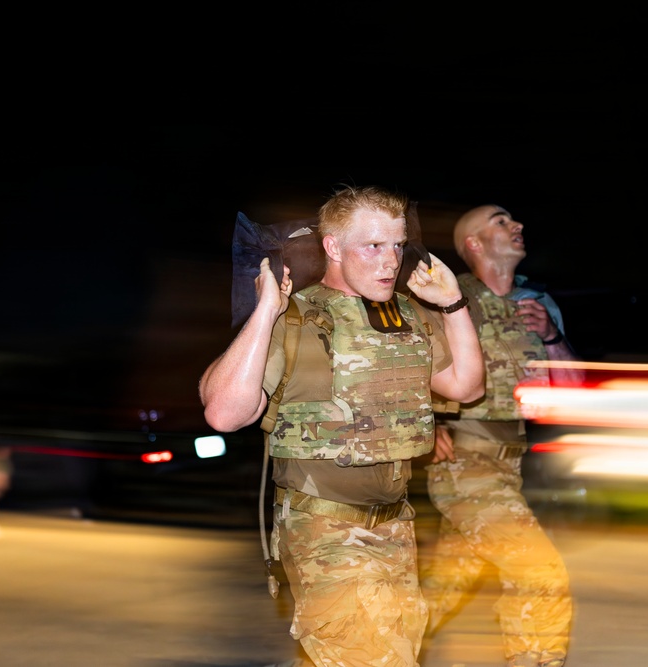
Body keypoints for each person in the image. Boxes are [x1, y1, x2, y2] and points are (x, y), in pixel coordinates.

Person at [199, 184, 485, 667]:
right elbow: (224, 413)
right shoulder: (295, 318)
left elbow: (466, 386)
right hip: (325, 529)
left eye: (397, 245)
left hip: (395, 526)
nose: (390, 261)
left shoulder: (405, 316)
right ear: (332, 247)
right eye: (373, 246)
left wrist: (453, 304)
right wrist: (266, 310)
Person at [420, 204, 585, 667]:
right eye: (501, 221)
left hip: (509, 462)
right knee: (538, 569)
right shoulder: (446, 298)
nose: (518, 225)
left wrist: (552, 338)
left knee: (440, 589)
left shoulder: (538, 304)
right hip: (463, 462)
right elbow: (406, 368)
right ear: (474, 243)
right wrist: (426, 426)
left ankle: (349, 657)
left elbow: (572, 391)